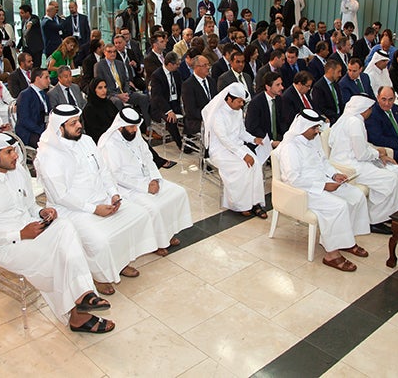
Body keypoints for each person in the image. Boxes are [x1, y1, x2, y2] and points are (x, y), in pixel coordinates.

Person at [0, 132, 114, 333]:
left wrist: (41, 211)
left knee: (65, 225)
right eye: (9, 152)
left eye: (14, 151)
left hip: (31, 229)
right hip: (3, 245)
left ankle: (83, 297)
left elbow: (29, 205)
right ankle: (80, 311)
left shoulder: (17, 173)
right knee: (58, 258)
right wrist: (19, 234)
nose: (16, 156)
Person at [34, 105, 158, 295]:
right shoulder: (48, 155)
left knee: (139, 215)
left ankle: (120, 262)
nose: (79, 126)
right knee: (100, 240)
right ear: (60, 127)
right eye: (73, 123)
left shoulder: (87, 140)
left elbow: (104, 171)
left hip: (102, 198)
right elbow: (61, 195)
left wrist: (114, 194)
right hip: (73, 209)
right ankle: (99, 275)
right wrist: (93, 209)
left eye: (79, 121)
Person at [274, 109, 370, 271]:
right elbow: (294, 179)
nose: (317, 131)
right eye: (314, 128)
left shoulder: (313, 139)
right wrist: (324, 186)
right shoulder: (290, 147)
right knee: (338, 206)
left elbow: (323, 161)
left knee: (356, 196)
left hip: (322, 180)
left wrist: (334, 175)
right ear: (303, 127)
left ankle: (346, 241)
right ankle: (331, 255)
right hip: (303, 190)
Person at [97, 107, 192, 256]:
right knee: (153, 208)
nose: (135, 130)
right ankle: (157, 243)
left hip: (148, 179)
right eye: (131, 127)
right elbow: (115, 175)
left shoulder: (135, 135)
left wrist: (154, 178)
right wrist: (144, 187)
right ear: (120, 126)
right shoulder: (109, 144)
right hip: (127, 187)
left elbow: (148, 157)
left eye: (136, 126)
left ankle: (167, 233)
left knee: (178, 193)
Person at [328, 95, 398, 234]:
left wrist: (379, 153)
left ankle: (392, 214)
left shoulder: (347, 118)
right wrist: (378, 153)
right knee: (390, 179)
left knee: (396, 170)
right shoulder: (355, 123)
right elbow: (361, 154)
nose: (371, 111)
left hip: (355, 160)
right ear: (365, 109)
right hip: (350, 166)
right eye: (370, 109)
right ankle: (374, 219)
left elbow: (362, 147)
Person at [203, 83, 267, 218]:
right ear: (229, 99)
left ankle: (254, 203)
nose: (241, 105)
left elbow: (241, 133)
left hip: (237, 147)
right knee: (242, 168)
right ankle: (239, 205)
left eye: (242, 102)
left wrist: (254, 139)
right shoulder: (218, 115)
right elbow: (224, 139)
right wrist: (243, 155)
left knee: (255, 164)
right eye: (239, 101)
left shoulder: (237, 111)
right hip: (220, 151)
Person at [94, 43, 151, 128]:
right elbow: (99, 86)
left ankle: (148, 127)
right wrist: (118, 95)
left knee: (143, 98)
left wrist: (127, 92)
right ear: (104, 53)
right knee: (117, 102)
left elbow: (126, 80)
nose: (112, 54)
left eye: (114, 52)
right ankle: (124, 128)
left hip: (124, 92)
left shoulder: (120, 64)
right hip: (110, 94)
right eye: (109, 52)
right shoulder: (99, 66)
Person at [245, 71, 283, 145]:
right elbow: (252, 128)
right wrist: (270, 142)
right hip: (262, 143)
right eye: (278, 85)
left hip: (278, 141)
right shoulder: (256, 103)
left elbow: (281, 123)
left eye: (281, 84)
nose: (282, 87)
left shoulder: (279, 99)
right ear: (268, 87)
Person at [14, 68, 50, 147]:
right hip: (28, 133)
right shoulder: (25, 95)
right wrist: (41, 131)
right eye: (46, 78)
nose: (49, 81)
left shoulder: (45, 95)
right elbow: (24, 120)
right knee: (49, 145)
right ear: (37, 79)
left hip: (42, 129)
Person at [278, 70, 315, 135]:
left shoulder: (304, 92)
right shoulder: (287, 97)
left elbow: (312, 106)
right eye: (308, 86)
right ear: (300, 84)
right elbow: (291, 119)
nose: (309, 88)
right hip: (300, 130)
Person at [311, 60, 345, 124]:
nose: (340, 75)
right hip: (330, 121)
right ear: (331, 71)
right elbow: (320, 108)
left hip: (340, 118)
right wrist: (337, 117)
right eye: (338, 72)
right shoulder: (318, 87)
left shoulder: (335, 84)